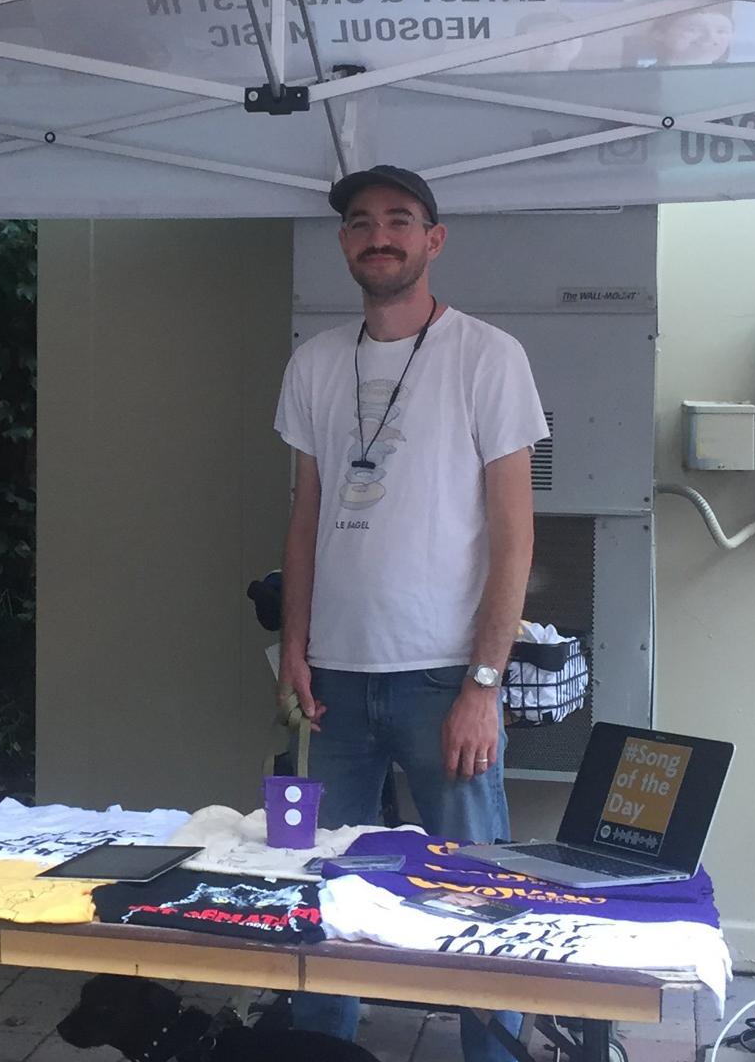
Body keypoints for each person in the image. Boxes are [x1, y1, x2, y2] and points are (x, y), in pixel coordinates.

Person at [275, 166, 547, 1061]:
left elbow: (514, 537)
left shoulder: (487, 355)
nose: (377, 236)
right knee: (327, 889)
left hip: (442, 680)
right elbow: (307, 517)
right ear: (345, 244)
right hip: (336, 686)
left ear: (434, 239)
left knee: (472, 898)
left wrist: (483, 683)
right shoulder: (315, 362)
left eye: (399, 220)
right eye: (360, 223)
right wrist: (295, 646)